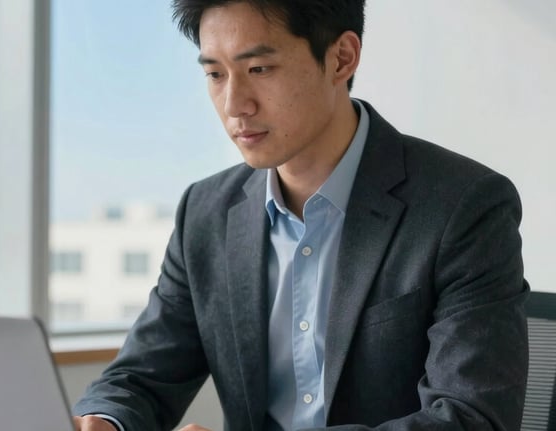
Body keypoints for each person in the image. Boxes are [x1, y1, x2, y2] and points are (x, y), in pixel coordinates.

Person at [72, 1, 529, 430]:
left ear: (342, 58)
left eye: (259, 69)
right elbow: (140, 378)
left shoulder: (464, 206)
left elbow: (471, 418)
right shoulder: (206, 213)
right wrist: (107, 419)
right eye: (215, 74)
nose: (235, 105)